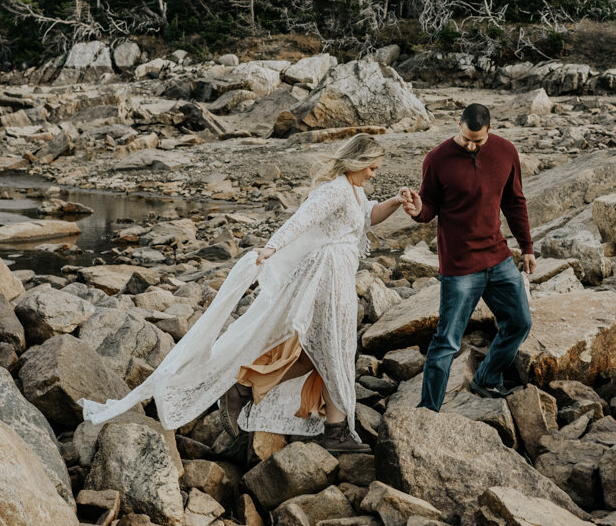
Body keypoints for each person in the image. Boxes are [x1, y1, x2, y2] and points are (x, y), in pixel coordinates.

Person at [80, 133, 405, 453]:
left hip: (340, 276)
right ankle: (332, 430)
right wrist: (272, 247)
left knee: (325, 350)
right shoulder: (335, 190)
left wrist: (396, 202)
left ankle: (249, 386)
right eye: (372, 167)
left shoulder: (355, 192)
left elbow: (367, 217)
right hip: (326, 278)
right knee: (331, 349)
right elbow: (301, 220)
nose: (374, 173)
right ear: (357, 162)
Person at [399, 103, 534, 410]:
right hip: (459, 267)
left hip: (498, 257)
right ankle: (428, 410)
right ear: (457, 124)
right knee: (446, 341)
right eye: (466, 138)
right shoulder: (436, 159)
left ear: (490, 130)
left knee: (519, 323)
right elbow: (430, 205)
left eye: (478, 140)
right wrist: (419, 210)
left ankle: (486, 378)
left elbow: (514, 202)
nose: (471, 145)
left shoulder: (505, 151)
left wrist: (526, 246)